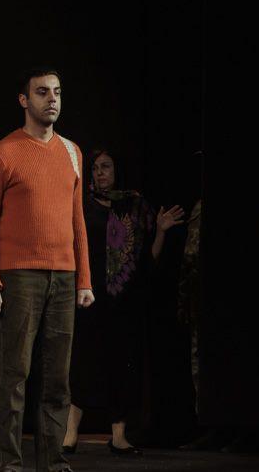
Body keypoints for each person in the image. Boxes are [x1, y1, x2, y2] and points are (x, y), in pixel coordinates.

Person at [0, 67, 94, 472]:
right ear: (24, 100)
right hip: (18, 277)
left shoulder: (73, 152)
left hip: (63, 277)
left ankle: (53, 462)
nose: (52, 99)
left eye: (57, 92)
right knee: (13, 376)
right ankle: (7, 464)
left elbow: (77, 220)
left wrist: (84, 279)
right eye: (42, 92)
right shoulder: (3, 153)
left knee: (57, 379)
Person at [63, 149, 185, 456]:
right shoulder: (82, 203)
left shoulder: (135, 204)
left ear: (118, 170)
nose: (99, 173)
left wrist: (160, 231)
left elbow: (148, 260)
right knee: (83, 363)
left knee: (122, 365)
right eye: (95, 168)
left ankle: (118, 436)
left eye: (106, 167)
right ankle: (70, 433)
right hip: (89, 296)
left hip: (125, 300)